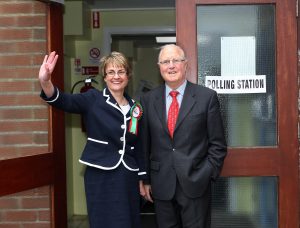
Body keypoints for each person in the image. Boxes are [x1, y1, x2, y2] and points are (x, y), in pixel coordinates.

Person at [38, 51, 147, 228]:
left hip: (128, 175)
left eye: (121, 72)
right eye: (111, 72)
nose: (116, 76)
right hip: (100, 174)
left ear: (128, 75)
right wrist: (45, 81)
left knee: (129, 221)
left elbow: (138, 145)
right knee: (103, 221)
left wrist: (142, 177)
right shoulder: (93, 99)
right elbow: (63, 100)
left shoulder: (136, 107)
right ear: (104, 77)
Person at [140, 44, 227, 228]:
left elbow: (218, 145)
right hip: (161, 184)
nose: (170, 66)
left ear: (185, 65)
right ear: (159, 67)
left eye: (175, 61)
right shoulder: (148, 100)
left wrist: (206, 174)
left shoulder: (206, 97)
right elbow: (144, 144)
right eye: (165, 62)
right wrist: (146, 179)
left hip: (196, 183)